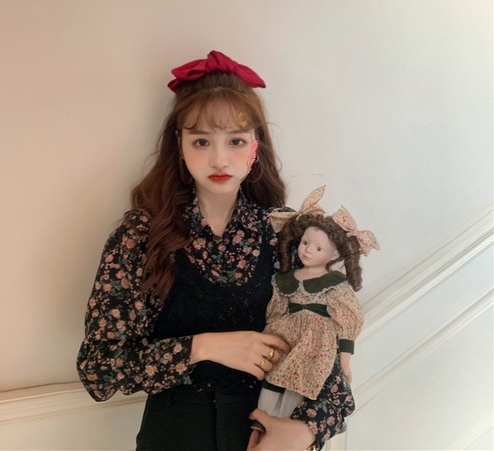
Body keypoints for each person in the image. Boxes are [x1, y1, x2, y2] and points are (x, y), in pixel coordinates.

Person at [76, 50, 356, 451]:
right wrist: (207, 346)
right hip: (173, 437)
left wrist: (307, 431)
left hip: (266, 432)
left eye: (236, 141)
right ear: (179, 145)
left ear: (256, 146)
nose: (219, 159)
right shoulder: (141, 235)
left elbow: (329, 359)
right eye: (202, 141)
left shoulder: (286, 234)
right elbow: (98, 370)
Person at [251, 187, 379, 430]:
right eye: (305, 243)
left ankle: (287, 422)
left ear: (333, 254)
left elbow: (347, 319)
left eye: (318, 248)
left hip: (316, 340)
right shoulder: (286, 279)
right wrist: (270, 335)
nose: (308, 250)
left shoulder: (334, 282)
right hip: (287, 335)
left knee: (301, 378)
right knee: (276, 373)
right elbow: (276, 310)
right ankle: (264, 417)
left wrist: (345, 360)